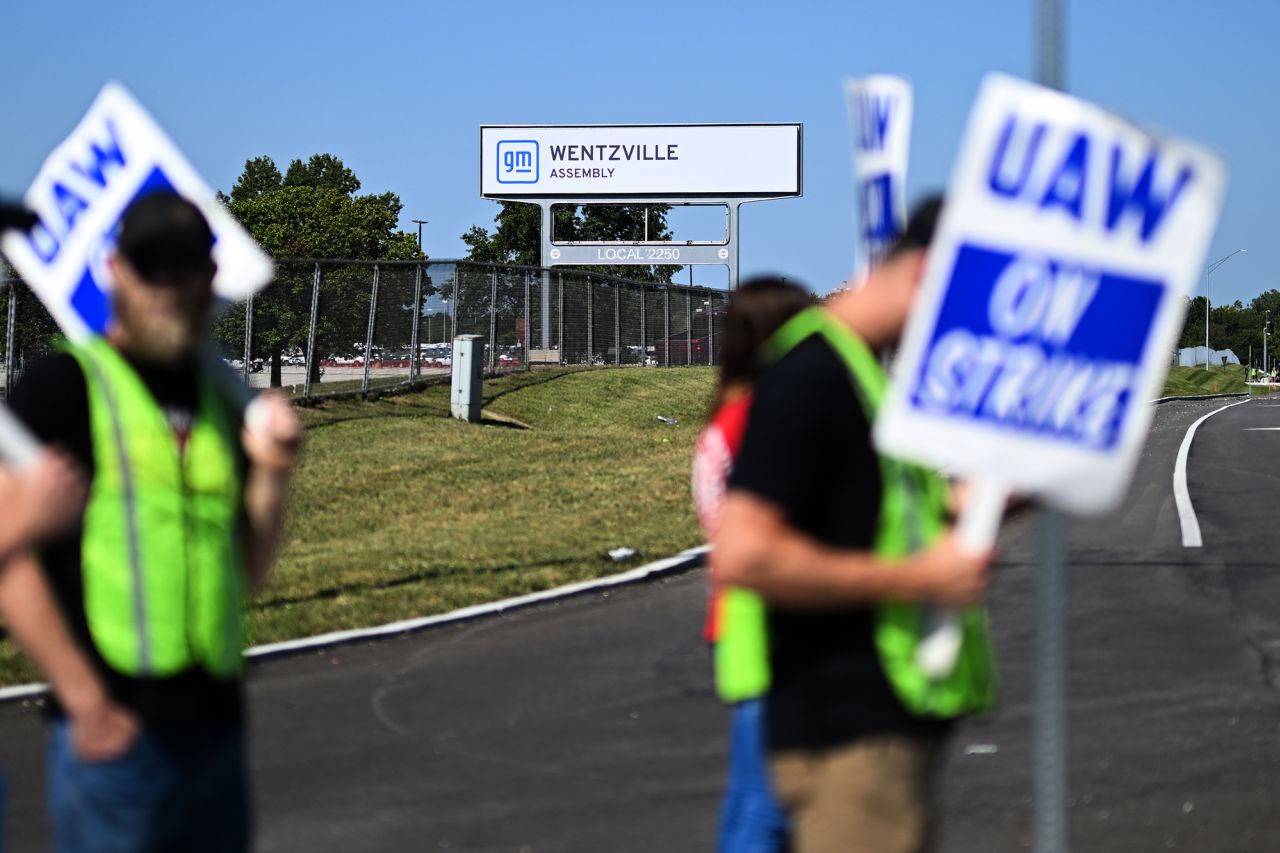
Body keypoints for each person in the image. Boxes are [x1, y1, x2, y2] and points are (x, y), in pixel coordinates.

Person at [0, 191, 300, 853]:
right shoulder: (62, 387)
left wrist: (274, 471)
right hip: (117, 751)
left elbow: (245, 570)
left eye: (183, 266)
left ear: (210, 278)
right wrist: (87, 704)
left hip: (216, 736)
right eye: (149, 265)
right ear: (115, 271)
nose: (167, 285)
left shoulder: (222, 398)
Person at [711, 197, 997, 853]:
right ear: (926, 275)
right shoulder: (812, 376)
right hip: (846, 731)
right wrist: (921, 578)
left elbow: (880, 517)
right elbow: (746, 553)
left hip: (878, 723)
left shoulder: (863, 375)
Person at [692, 277, 813, 852]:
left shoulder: (727, 413)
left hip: (738, 613)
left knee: (753, 794)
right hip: (773, 616)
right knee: (770, 801)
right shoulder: (763, 418)